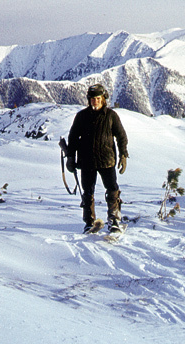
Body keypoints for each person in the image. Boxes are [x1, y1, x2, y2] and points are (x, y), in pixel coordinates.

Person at [64, 83, 128, 233]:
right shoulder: (81, 116)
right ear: (89, 100)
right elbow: (72, 138)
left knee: (112, 190)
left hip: (107, 160)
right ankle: (89, 222)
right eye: (92, 98)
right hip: (87, 161)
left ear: (103, 99)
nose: (95, 101)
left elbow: (121, 136)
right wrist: (70, 157)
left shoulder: (111, 116)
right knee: (87, 192)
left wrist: (123, 154)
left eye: (98, 98)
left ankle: (114, 220)